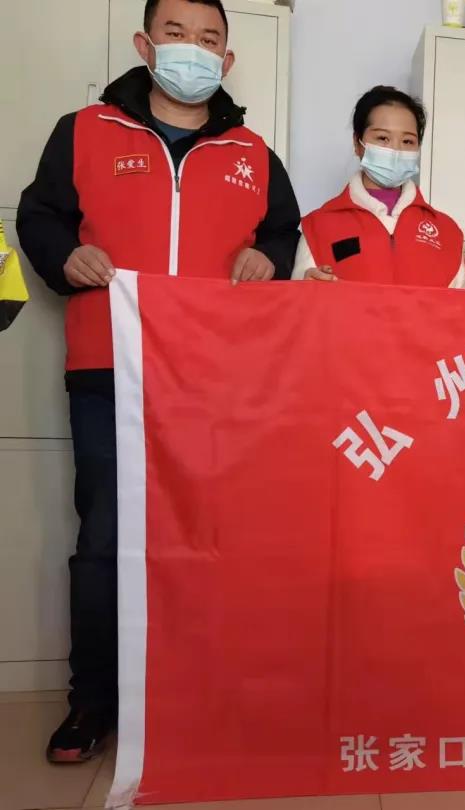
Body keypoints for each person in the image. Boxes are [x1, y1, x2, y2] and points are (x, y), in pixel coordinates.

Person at [16, 0, 300, 763]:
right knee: (105, 539)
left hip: (215, 379)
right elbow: (38, 217)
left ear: (227, 60)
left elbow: (283, 232)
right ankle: (92, 701)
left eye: (209, 39)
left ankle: (196, 690)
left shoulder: (253, 154)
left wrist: (270, 258)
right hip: (107, 368)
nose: (191, 50)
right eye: (176, 34)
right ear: (146, 43)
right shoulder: (85, 131)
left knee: (207, 537)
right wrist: (63, 256)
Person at [293, 86, 465, 287]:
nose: (396, 150)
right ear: (357, 143)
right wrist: (305, 290)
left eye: (408, 141)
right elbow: (298, 301)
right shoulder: (318, 226)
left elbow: (461, 304)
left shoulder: (447, 231)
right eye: (383, 138)